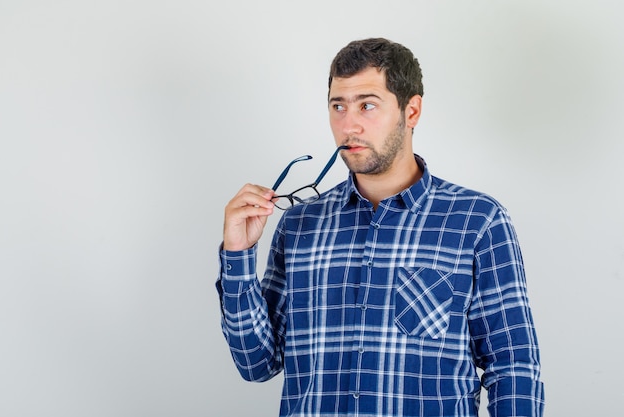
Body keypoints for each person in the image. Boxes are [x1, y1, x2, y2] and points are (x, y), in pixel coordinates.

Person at [216, 37, 545, 417]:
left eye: (367, 105)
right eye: (338, 106)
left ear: (412, 111)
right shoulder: (298, 226)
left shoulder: (478, 222)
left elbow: (514, 367)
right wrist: (238, 255)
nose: (349, 125)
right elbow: (257, 364)